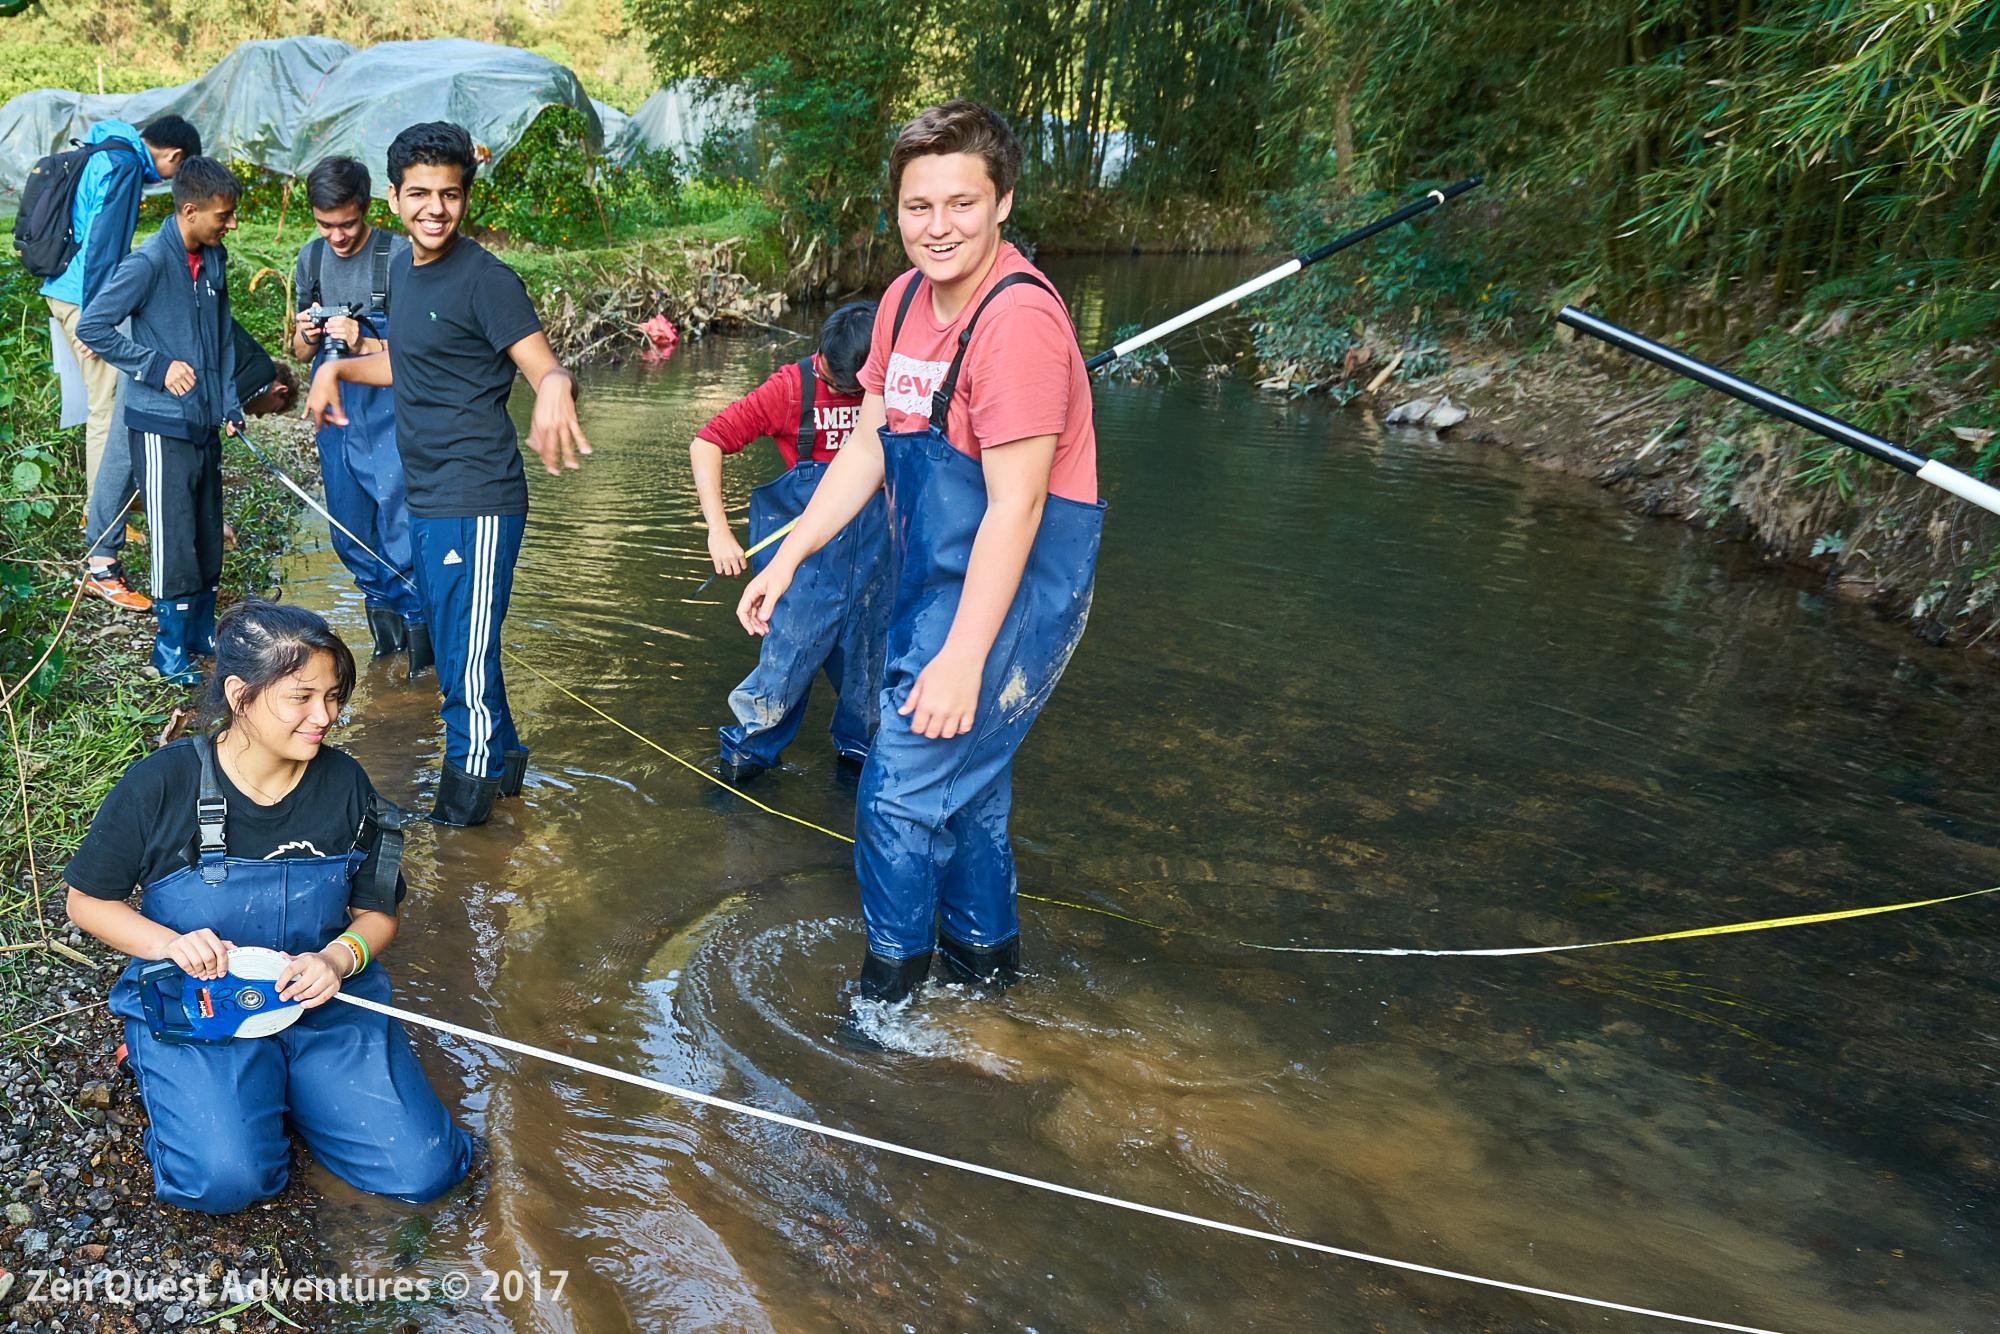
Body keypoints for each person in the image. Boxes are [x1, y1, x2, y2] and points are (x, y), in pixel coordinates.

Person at [737, 102, 1103, 1003]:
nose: (937, 227)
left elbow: (1015, 511)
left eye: (961, 204)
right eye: (917, 205)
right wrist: (788, 561)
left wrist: (965, 659)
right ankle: (988, 977)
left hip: (1017, 586)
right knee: (966, 792)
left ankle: (889, 1010)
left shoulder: (1016, 325)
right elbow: (866, 444)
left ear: (1003, 201)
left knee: (897, 796)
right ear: (896, 208)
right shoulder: (901, 301)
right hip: (934, 569)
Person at [63, 599, 475, 1215]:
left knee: (424, 1172)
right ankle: (172, 1069)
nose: (324, 717)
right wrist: (168, 945)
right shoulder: (161, 784)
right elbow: (86, 902)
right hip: (200, 1007)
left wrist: (338, 958)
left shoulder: (347, 786)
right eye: (301, 698)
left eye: (334, 697)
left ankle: (289, 1090)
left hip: (321, 1005)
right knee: (227, 1182)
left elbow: (378, 914)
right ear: (240, 695)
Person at [307, 122, 591, 827]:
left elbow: (545, 368)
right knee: (466, 649)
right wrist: (340, 366)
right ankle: (506, 768)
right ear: (396, 199)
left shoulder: (488, 281)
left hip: (478, 497)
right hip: (427, 495)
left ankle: (459, 820)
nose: (436, 208)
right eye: (421, 194)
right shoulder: (401, 268)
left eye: (452, 195)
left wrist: (555, 386)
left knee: (461, 667)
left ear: (466, 198)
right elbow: (410, 363)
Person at [693, 301, 890, 782]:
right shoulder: (790, 390)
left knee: (871, 679)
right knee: (784, 668)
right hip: (805, 571)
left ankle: (862, 766)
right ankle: (744, 764)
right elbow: (707, 442)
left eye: (861, 389)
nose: (852, 395)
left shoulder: (892, 388)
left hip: (878, 563)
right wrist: (719, 530)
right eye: (844, 387)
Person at [77, 156, 245, 687]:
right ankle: (167, 647)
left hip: (203, 422)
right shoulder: (148, 262)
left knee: (204, 529)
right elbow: (94, 325)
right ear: (189, 211)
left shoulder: (213, 258)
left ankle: (199, 629)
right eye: (223, 215)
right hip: (159, 423)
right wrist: (154, 366)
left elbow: (220, 339)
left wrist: (230, 403)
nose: (231, 224)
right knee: (173, 535)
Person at [41, 114, 202, 612]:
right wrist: (98, 320)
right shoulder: (125, 163)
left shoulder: (101, 147)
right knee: (110, 416)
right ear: (174, 157)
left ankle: (109, 518)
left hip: (65, 291)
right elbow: (104, 244)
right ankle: (99, 544)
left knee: (102, 409)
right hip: (83, 299)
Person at [289, 155, 428, 675]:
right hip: (337, 411)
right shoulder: (310, 260)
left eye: (347, 224)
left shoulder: (398, 255)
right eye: (326, 226)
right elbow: (300, 355)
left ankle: (419, 662)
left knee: (400, 525)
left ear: (367, 208)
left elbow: (426, 351)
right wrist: (309, 334)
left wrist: (365, 338)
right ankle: (385, 652)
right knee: (349, 526)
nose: (338, 236)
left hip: (390, 410)